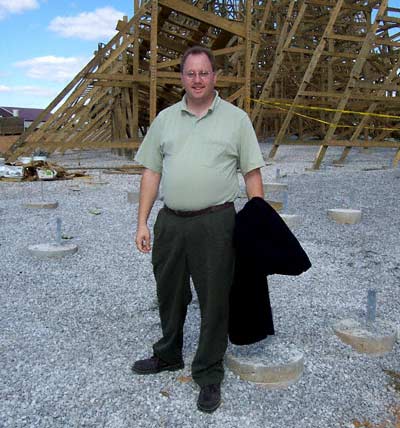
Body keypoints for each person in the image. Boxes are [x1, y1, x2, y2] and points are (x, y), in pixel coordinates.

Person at [132, 46, 265, 413]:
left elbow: (252, 173)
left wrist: (258, 225)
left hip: (216, 223)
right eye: (190, 73)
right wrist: (142, 222)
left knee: (215, 299)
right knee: (170, 292)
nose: (197, 79)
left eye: (203, 72)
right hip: (171, 222)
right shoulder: (165, 119)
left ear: (215, 76)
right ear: (182, 78)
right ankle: (169, 353)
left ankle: (208, 372)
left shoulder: (236, 120)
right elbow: (151, 172)